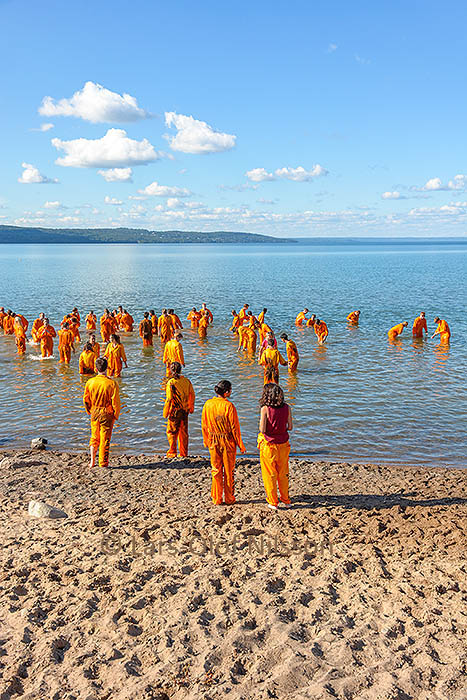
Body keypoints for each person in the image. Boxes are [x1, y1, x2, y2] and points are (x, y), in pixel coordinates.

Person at [201, 380, 246, 505]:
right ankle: (229, 498)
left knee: (215, 470)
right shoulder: (229, 406)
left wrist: (206, 440)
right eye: (231, 390)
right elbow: (234, 428)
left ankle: (217, 498)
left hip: (213, 440)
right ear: (226, 392)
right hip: (227, 441)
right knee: (228, 471)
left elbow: (204, 425)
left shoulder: (208, 404)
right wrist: (241, 445)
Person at [257, 383, 292, 510]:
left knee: (270, 473)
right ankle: (286, 499)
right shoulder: (287, 407)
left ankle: (273, 501)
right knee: (283, 472)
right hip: (283, 443)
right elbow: (290, 427)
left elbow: (262, 429)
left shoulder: (265, 409)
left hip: (269, 445)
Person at [83, 357, 120, 469]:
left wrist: (88, 410)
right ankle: (103, 463)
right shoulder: (112, 383)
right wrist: (115, 414)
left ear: (96, 368)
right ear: (107, 368)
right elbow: (116, 402)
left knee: (94, 436)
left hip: (95, 411)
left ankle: (92, 461)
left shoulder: (90, 382)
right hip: (107, 413)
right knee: (105, 438)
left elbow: (86, 399)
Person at [163, 361, 195, 458]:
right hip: (184, 410)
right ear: (180, 370)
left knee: (172, 432)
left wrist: (166, 412)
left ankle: (172, 452)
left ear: (170, 370)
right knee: (184, 433)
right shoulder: (186, 381)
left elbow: (169, 399)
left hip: (175, 411)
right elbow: (192, 395)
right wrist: (191, 407)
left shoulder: (171, 383)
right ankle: (183, 453)